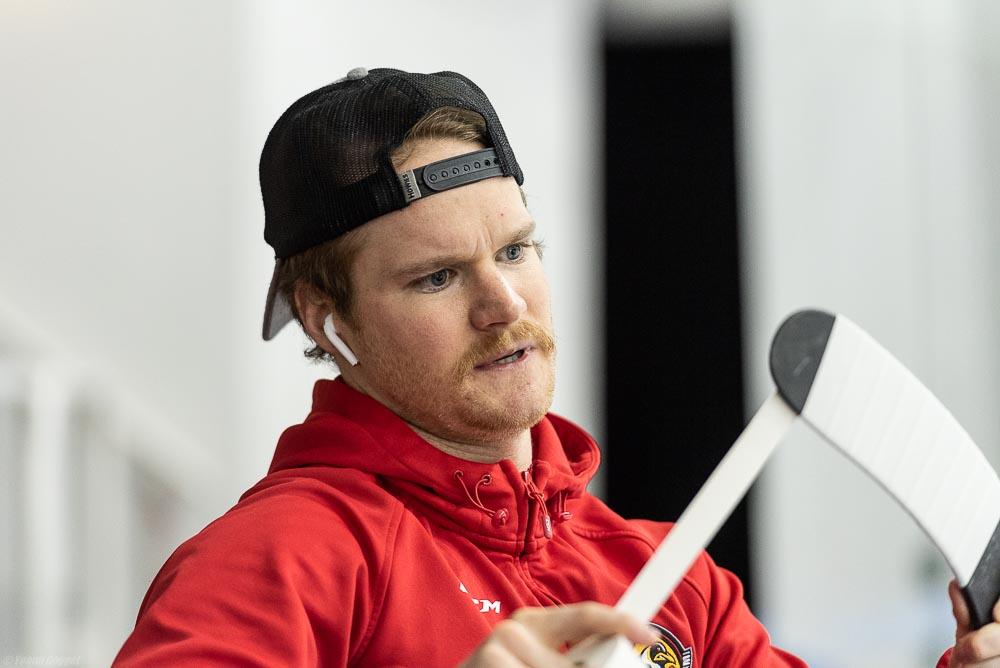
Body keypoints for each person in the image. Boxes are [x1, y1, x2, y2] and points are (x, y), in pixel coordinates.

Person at [114, 67, 997, 667]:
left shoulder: (671, 578)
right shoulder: (280, 559)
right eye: (436, 277)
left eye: (515, 250)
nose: (503, 304)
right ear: (327, 318)